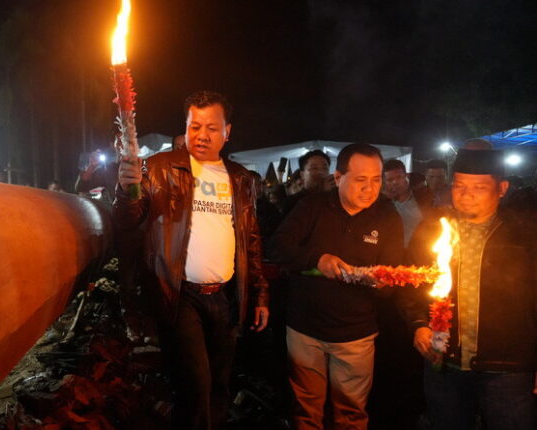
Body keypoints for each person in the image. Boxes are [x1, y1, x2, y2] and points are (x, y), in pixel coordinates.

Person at [113, 90, 269, 430]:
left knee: (219, 384)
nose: (202, 135)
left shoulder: (240, 178)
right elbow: (127, 220)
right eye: (194, 126)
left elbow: (251, 241)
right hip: (180, 295)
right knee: (195, 385)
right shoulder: (158, 168)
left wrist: (259, 294)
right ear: (185, 128)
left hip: (226, 297)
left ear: (227, 131)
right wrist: (126, 191)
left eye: (212, 128)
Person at [268, 143, 404, 430]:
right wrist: (317, 259)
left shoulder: (387, 215)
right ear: (339, 177)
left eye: (376, 180)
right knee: (305, 410)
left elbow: (392, 274)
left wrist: (382, 282)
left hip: (356, 333)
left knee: (351, 412)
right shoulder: (312, 206)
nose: (369, 189)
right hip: (305, 329)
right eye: (360, 179)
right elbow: (278, 246)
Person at [404, 149, 536, 430]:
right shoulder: (433, 229)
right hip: (444, 364)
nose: (466, 195)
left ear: (502, 188)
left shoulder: (524, 233)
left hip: (508, 368)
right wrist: (418, 325)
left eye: (479, 187)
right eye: (460, 185)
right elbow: (412, 285)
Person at [382, 159, 434, 247]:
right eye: (390, 180)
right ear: (384, 182)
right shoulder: (382, 206)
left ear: (407, 176)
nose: (395, 182)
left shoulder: (423, 199)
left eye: (399, 177)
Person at [280, 149, 331, 217]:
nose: (320, 172)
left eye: (325, 168)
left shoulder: (334, 197)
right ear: (302, 174)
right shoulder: (293, 202)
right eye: (314, 168)